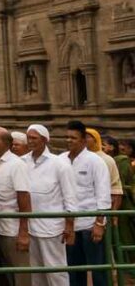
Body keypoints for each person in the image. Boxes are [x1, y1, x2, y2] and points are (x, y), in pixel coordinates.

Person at [24, 124, 77, 286]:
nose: (30, 141)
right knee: (36, 271)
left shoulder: (60, 164)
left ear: (45, 140)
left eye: (34, 138)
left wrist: (69, 225)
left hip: (52, 227)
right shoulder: (22, 161)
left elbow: (70, 197)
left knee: (56, 270)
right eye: (29, 138)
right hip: (29, 225)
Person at [63, 120, 110, 286]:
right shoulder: (61, 160)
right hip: (68, 225)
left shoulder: (95, 161)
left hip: (90, 224)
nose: (69, 141)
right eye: (67, 137)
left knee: (97, 269)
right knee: (74, 270)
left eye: (73, 138)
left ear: (83, 140)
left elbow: (103, 194)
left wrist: (99, 223)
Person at [0, 127, 32, 286]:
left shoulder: (16, 164)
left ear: (7, 143)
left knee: (20, 273)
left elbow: (23, 197)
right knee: (2, 275)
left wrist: (24, 232)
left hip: (12, 229)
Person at [106, 136, 135, 270]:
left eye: (126, 146)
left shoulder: (122, 162)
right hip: (120, 204)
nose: (123, 147)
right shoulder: (118, 161)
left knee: (125, 238)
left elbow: (123, 186)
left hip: (124, 204)